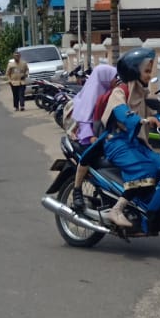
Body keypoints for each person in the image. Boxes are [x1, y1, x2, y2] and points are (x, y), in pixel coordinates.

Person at [100, 48, 160, 230]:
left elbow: (156, 114)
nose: (149, 76)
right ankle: (117, 209)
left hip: (135, 143)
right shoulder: (120, 92)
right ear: (134, 71)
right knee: (146, 168)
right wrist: (142, 120)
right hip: (116, 142)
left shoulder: (142, 94)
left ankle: (144, 205)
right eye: (146, 71)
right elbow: (121, 112)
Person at [67, 63, 118, 212]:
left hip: (103, 135)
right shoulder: (92, 94)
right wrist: (91, 138)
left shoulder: (109, 92)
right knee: (90, 155)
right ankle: (77, 189)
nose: (116, 79)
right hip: (85, 138)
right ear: (104, 78)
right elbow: (84, 121)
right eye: (113, 77)